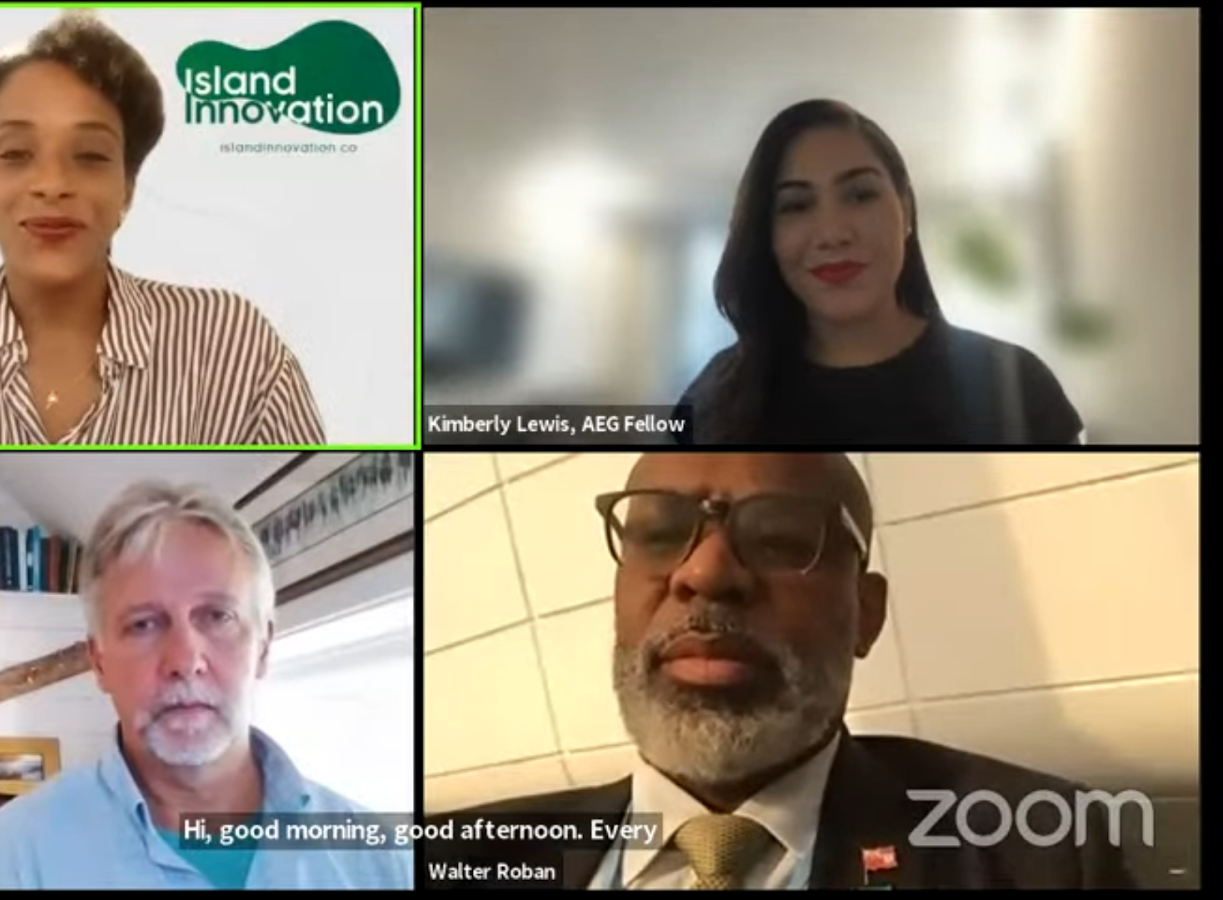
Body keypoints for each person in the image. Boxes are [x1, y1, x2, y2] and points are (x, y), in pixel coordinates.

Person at [422, 452, 1134, 889]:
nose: (704, 573)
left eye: (781, 537)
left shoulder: (1042, 853)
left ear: (866, 612)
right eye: (660, 535)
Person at [0, 12, 324, 446]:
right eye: (17, 154)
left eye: (90, 156)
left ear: (128, 190)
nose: (52, 184)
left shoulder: (236, 345)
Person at [0, 481, 411, 889]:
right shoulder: (11, 860)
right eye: (143, 624)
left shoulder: (384, 859)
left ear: (265, 646)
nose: (185, 661)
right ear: (98, 662)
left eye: (217, 616)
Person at [673, 99, 1082, 445]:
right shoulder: (717, 396)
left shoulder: (1013, 384)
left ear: (904, 209)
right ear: (768, 237)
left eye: (860, 195)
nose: (833, 234)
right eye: (796, 206)